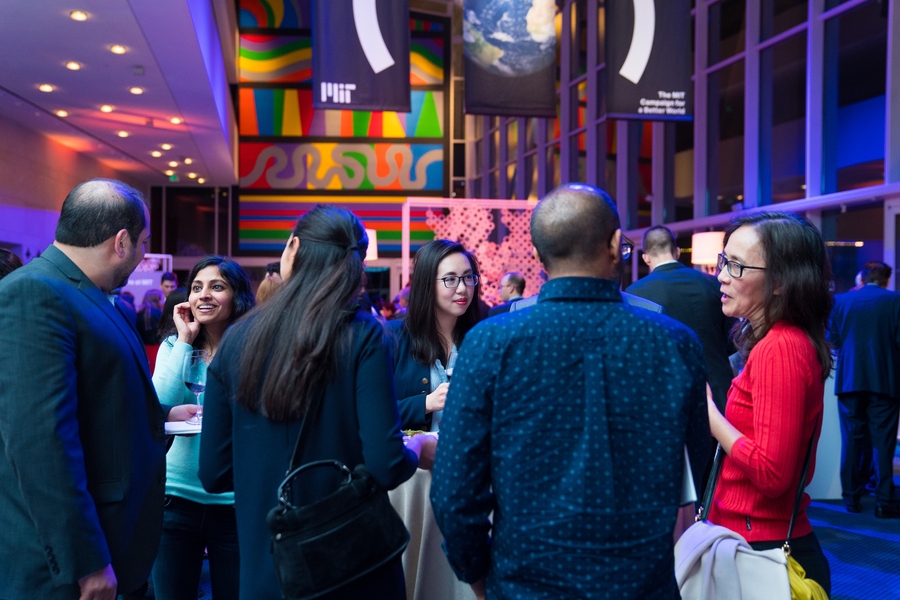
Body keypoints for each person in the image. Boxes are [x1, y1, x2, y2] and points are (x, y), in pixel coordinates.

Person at [430, 183, 709, 599]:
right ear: (616, 245)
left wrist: (478, 576)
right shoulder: (675, 344)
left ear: (539, 257)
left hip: (525, 583)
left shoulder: (491, 343)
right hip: (640, 584)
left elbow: (454, 491)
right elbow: (695, 470)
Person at [198, 205, 435, 600]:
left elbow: (214, 473)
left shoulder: (237, 340)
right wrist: (418, 448)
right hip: (353, 566)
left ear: (293, 248)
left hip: (270, 567)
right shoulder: (363, 336)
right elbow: (386, 464)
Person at [0, 178, 196, 599]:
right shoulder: (34, 292)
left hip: (115, 543)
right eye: (143, 243)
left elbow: (91, 400)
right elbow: (40, 439)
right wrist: (86, 561)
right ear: (121, 242)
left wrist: (160, 416)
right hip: (70, 568)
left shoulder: (84, 292)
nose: (144, 255)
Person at [706, 211, 834, 594]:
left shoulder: (781, 347)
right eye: (724, 261)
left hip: (764, 549)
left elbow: (772, 474)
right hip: (752, 540)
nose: (722, 276)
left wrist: (709, 413)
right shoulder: (774, 342)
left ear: (780, 281)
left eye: (738, 267)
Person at [151, 257, 254, 599]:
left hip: (235, 502)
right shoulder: (174, 347)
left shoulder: (254, 349)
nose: (204, 295)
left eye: (216, 286)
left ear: (237, 296)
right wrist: (183, 339)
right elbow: (157, 406)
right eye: (197, 287)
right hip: (175, 501)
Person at [828, 261, 900, 518]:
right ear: (886, 280)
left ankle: (852, 498)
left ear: (863, 277)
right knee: (883, 442)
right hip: (885, 381)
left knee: (852, 440)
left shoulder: (841, 301)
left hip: (849, 381)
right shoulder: (895, 301)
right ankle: (884, 500)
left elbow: (833, 340)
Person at [388, 239, 481, 432]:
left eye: (468, 277)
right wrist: (426, 403)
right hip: (414, 458)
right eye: (450, 279)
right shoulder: (395, 337)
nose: (463, 288)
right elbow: (374, 412)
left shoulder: (481, 340)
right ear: (427, 284)